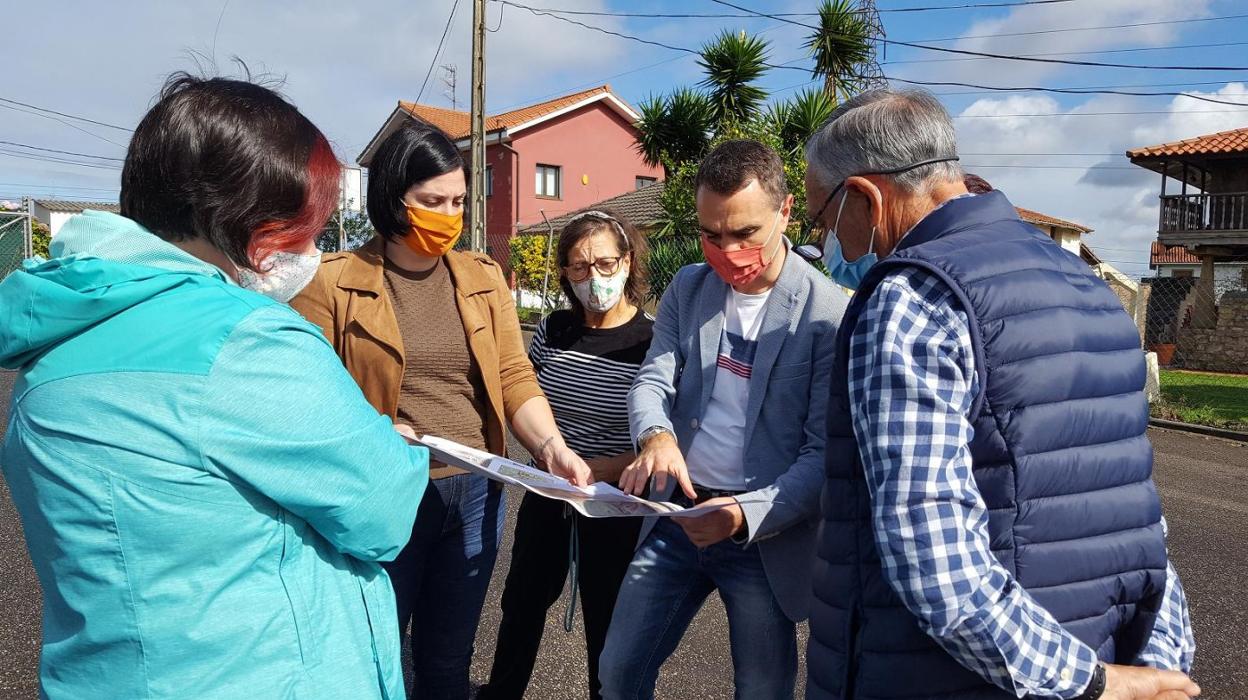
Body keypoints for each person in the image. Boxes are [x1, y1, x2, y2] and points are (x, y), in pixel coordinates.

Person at [0, 75, 429, 699]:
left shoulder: (53, 340)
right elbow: (382, 511)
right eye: (307, 226)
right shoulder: (249, 342)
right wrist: (388, 443)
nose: (311, 248)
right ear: (251, 224)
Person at [800, 89, 1199, 700]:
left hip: (948, 678)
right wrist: (1156, 668)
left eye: (824, 222)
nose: (832, 245)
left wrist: (1088, 684)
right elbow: (1141, 521)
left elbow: (934, 560)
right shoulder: (1088, 287)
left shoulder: (912, 298)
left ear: (864, 197)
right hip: (1103, 651)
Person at [291, 120, 592, 700]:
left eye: (458, 200)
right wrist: (371, 434)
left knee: (448, 662)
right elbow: (309, 399)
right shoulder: (330, 284)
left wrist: (551, 447)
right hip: (387, 494)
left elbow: (512, 375)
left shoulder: (481, 278)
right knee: (371, 657)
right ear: (392, 197)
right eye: (432, 202)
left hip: (477, 491)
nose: (449, 216)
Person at [597, 140, 849, 700]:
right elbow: (652, 380)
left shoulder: (826, 315)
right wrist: (656, 435)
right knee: (618, 671)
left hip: (761, 536)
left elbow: (821, 457)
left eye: (745, 233)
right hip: (677, 515)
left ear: (784, 213)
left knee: (762, 690)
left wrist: (741, 514)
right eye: (712, 235)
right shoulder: (691, 286)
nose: (728, 250)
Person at [480, 209, 653, 700]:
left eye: (604, 263)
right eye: (579, 267)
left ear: (627, 262)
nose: (593, 277)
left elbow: (662, 436)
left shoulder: (652, 340)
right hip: (548, 492)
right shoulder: (553, 329)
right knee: (522, 602)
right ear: (564, 273)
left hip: (615, 501)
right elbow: (523, 392)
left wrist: (601, 470)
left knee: (609, 615)